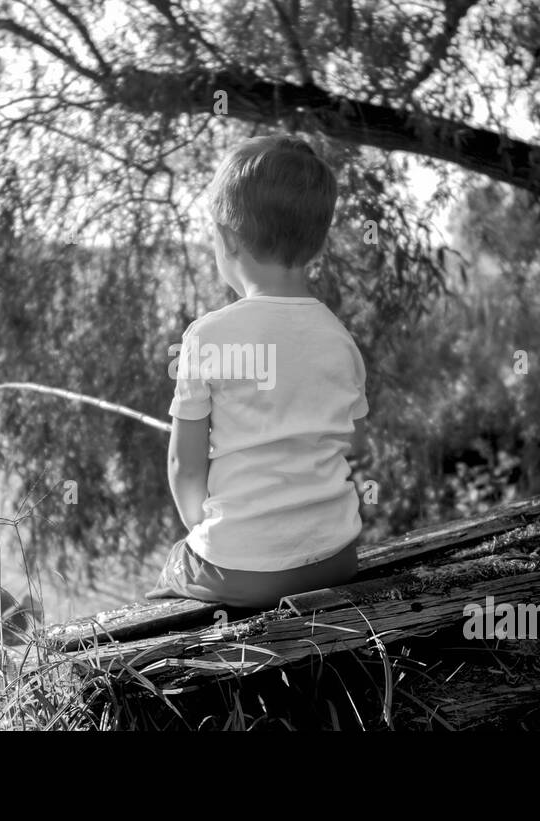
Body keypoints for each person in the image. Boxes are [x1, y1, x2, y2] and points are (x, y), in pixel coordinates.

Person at [146, 134, 368, 609]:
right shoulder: (340, 339)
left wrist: (203, 532)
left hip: (242, 573)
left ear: (226, 239)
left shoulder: (205, 338)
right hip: (336, 557)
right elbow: (355, 442)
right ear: (319, 242)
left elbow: (185, 467)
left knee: (173, 565)